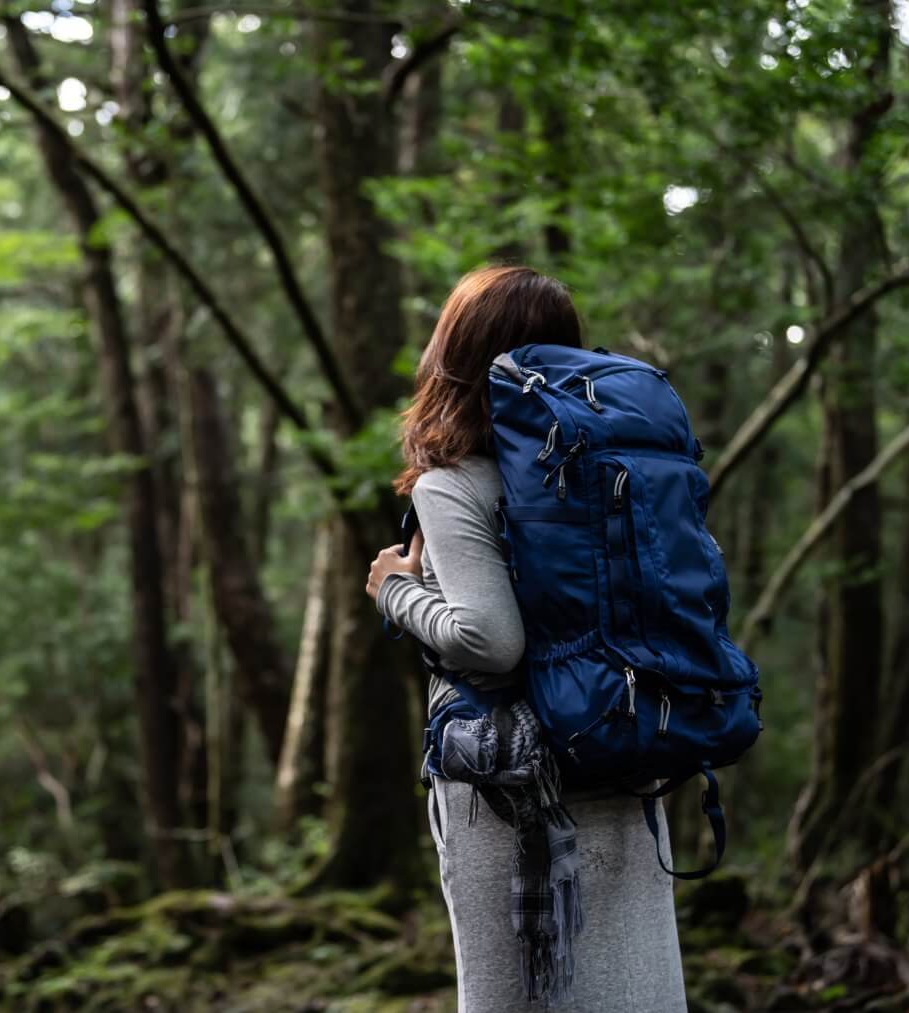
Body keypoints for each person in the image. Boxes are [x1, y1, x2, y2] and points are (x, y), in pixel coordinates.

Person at [365, 265, 688, 1011]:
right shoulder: (607, 467)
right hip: (625, 747)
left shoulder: (453, 479)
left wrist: (395, 590)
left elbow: (490, 639)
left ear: (456, 353)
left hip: (508, 794)